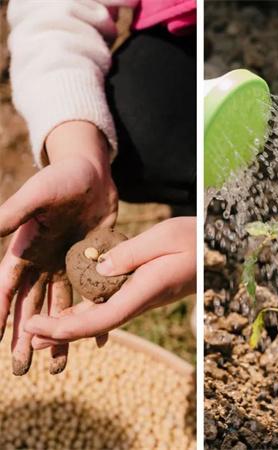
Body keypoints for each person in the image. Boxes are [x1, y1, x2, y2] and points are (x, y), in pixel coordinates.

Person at [2, 0, 197, 375]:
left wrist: (198, 250)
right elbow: (52, 9)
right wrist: (79, 151)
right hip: (180, 31)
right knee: (139, 123)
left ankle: (205, 234)